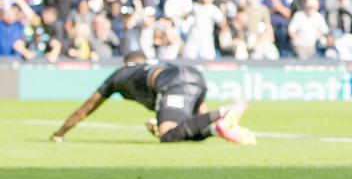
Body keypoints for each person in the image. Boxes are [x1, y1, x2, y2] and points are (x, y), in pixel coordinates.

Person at [50, 51, 254, 144]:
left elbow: (86, 108)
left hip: (173, 83)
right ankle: (217, 127)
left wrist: (60, 132)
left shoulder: (119, 75)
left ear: (126, 64)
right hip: (194, 76)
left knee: (167, 135)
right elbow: (191, 121)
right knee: (192, 130)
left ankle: (226, 110)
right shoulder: (151, 66)